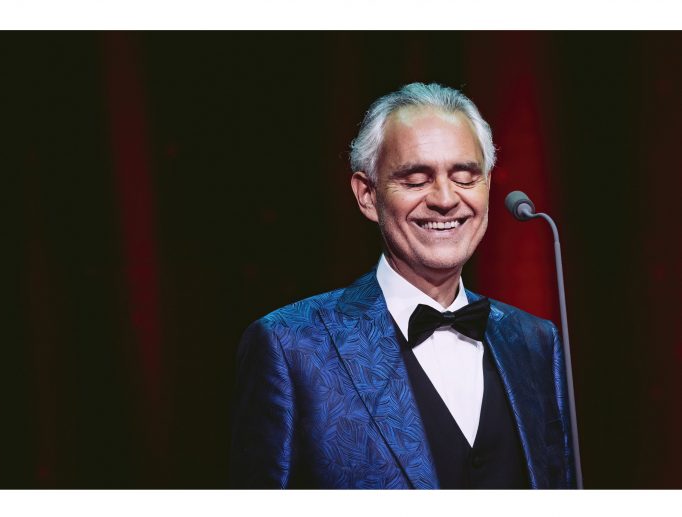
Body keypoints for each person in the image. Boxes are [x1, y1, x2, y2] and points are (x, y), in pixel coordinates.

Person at [230, 83, 575, 489]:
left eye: (465, 177)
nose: (446, 199)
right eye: (415, 180)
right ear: (367, 194)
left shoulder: (535, 341)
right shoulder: (289, 345)